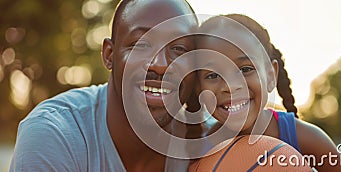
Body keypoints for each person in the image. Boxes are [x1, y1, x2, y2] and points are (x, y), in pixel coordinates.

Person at [10, 0, 200, 171]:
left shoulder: (210, 144)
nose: (160, 65)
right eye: (141, 44)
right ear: (109, 55)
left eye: (179, 49)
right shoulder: (53, 134)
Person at [194, 14, 341, 171]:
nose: (230, 86)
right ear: (198, 87)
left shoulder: (305, 137)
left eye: (245, 69)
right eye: (213, 75)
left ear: (271, 75)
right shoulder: (198, 147)